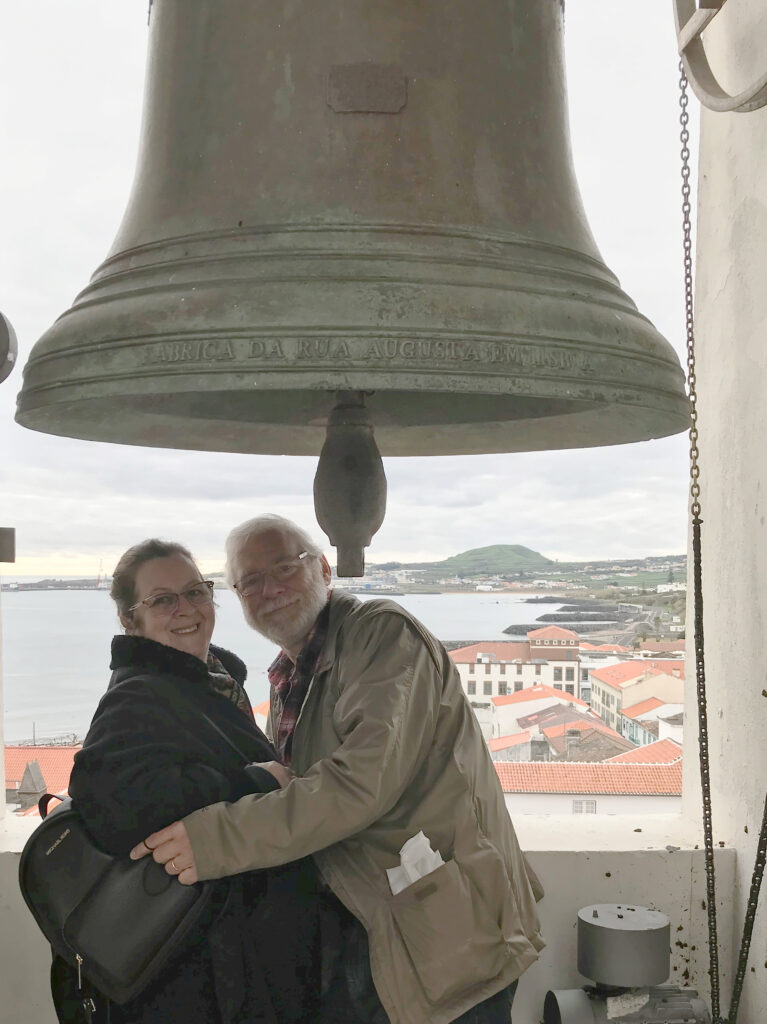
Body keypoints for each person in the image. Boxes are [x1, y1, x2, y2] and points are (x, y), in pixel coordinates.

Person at [132, 516, 545, 1024]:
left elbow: (359, 782)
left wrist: (214, 840)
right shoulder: (289, 674)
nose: (271, 589)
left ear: (325, 569)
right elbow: (296, 785)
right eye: (251, 581)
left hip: (446, 937)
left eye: (285, 567)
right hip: (372, 929)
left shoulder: (384, 637)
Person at [53, 538, 319, 1024]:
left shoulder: (206, 681)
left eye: (196, 592)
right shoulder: (138, 696)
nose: (187, 609)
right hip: (202, 982)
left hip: (234, 961)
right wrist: (253, 780)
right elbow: (113, 806)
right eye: (162, 600)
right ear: (130, 620)